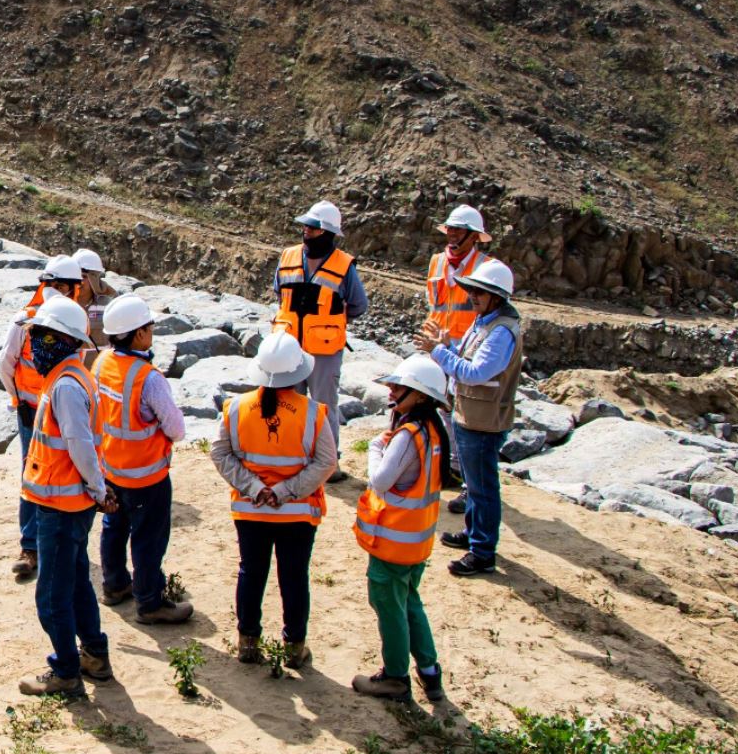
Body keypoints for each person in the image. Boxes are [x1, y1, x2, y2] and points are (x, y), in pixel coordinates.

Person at [211, 332, 337, 669]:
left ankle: (247, 642)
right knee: (293, 578)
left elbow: (220, 454)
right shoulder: (313, 413)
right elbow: (326, 462)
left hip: (251, 511)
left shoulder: (236, 408)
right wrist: (283, 492)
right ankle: (294, 647)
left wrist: (255, 488)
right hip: (296, 514)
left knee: (251, 573)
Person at [17, 296, 119, 697]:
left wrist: (99, 489)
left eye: (44, 336)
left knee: (52, 594)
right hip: (66, 503)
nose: (35, 344)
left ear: (65, 341)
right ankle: (94, 654)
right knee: (76, 582)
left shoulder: (66, 386)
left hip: (61, 506)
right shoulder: (68, 377)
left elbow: (79, 445)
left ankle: (65, 672)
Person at [351, 354, 451, 703]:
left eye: (400, 387)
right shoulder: (435, 432)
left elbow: (380, 480)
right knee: (409, 601)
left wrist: (378, 447)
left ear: (420, 396)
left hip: (393, 542)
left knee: (389, 606)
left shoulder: (408, 435)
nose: (392, 390)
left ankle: (394, 677)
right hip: (417, 542)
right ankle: (429, 672)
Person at [416, 258, 523, 578]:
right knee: (475, 485)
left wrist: (438, 351)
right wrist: (448, 344)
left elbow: (476, 373)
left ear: (496, 296)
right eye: (472, 289)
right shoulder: (487, 321)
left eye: (479, 291)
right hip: (472, 414)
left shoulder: (500, 331)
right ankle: (474, 535)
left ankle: (482, 551)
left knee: (482, 488)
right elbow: (469, 359)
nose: (472, 295)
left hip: (483, 419)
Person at [92, 295, 192, 624]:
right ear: (138, 334)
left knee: (114, 527)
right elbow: (175, 429)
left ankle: (114, 585)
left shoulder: (102, 363)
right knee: (148, 539)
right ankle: (149, 603)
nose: (151, 332)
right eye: (149, 327)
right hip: (147, 475)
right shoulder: (148, 378)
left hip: (111, 467)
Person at [0, 254, 87, 581]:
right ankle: (30, 546)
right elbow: (5, 365)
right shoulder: (26, 320)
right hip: (33, 411)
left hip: (59, 408)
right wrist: (18, 398)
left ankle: (52, 542)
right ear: (62, 286)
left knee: (60, 468)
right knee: (34, 472)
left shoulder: (73, 319)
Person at [272, 200, 368, 451]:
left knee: (324, 407)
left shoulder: (344, 265)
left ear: (327, 233)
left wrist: (331, 319)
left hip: (324, 351)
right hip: (289, 346)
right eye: (305, 227)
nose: (306, 231)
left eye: (312, 228)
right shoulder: (288, 256)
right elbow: (278, 293)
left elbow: (358, 305)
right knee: (287, 404)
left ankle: (328, 462)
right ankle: (291, 455)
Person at [426, 205, 490, 518]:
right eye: (449, 229)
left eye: (457, 230)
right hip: (438, 344)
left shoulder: (485, 267)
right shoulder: (437, 262)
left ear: (474, 236)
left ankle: (463, 478)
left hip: (468, 348)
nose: (451, 235)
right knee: (437, 404)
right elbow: (434, 303)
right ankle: (442, 465)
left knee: (462, 412)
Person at [72, 248, 117, 348]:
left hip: (102, 362)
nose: (79, 282)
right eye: (75, 276)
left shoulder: (110, 303)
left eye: (83, 276)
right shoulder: (63, 302)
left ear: (95, 278)